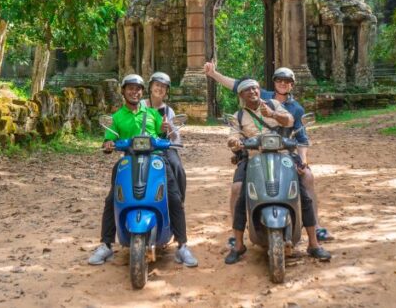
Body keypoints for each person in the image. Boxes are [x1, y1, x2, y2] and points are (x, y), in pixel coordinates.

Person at [205, 62, 335, 243]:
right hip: (254, 154)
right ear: (273, 83)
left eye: (287, 81)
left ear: (292, 85)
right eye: (279, 80)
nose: (283, 84)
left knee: (307, 178)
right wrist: (213, 74)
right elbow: (237, 85)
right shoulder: (261, 96)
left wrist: (303, 161)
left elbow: (301, 137)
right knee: (237, 188)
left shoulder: (292, 108)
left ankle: (316, 228)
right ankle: (237, 235)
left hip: (283, 152)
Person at [87, 73, 198, 267]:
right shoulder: (117, 117)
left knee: (173, 197)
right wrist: (109, 144)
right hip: (128, 161)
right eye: (130, 88)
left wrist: (165, 131)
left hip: (156, 160)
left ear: (142, 92)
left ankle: (182, 246)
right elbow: (108, 140)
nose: (134, 92)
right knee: (112, 198)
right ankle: (105, 244)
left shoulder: (153, 114)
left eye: (138, 89)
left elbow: (165, 138)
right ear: (123, 91)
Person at [224, 78, 331, 264]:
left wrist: (273, 114)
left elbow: (289, 121)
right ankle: (239, 244)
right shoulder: (238, 116)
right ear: (241, 95)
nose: (253, 91)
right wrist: (236, 142)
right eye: (247, 90)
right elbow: (232, 136)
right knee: (240, 192)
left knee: (302, 193)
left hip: (282, 154)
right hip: (253, 157)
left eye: (255, 88)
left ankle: (313, 243)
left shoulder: (273, 104)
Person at [143, 71, 186, 202]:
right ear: (150, 87)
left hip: (164, 146)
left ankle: (179, 200)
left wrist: (169, 129)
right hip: (142, 145)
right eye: (157, 85)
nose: (159, 88)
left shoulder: (169, 111)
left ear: (167, 91)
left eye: (163, 86)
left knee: (177, 166)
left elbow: (176, 139)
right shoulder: (140, 106)